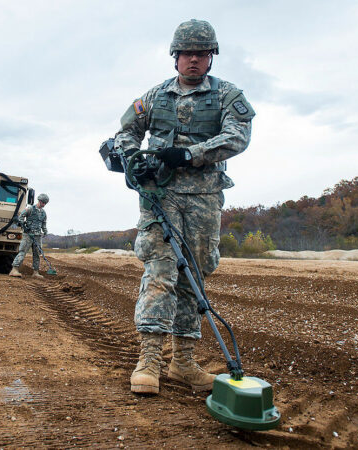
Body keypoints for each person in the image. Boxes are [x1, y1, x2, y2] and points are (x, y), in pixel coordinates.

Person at [113, 19, 255, 394]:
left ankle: (183, 363)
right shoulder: (156, 95)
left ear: (211, 57)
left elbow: (237, 136)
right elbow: (125, 130)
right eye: (187, 53)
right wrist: (133, 158)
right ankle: (148, 362)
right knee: (161, 271)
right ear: (176, 57)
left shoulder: (227, 95)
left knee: (194, 274)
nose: (194, 60)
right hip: (160, 195)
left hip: (204, 198)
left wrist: (190, 153)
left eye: (202, 53)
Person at [9, 193, 49, 278]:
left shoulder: (43, 213)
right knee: (23, 251)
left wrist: (45, 231)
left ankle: (35, 272)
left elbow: (43, 224)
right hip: (28, 234)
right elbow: (20, 217)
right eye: (43, 203)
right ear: (39, 201)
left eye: (45, 203)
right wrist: (24, 225)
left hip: (37, 235)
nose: (44, 205)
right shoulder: (30, 209)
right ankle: (14, 269)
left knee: (37, 254)